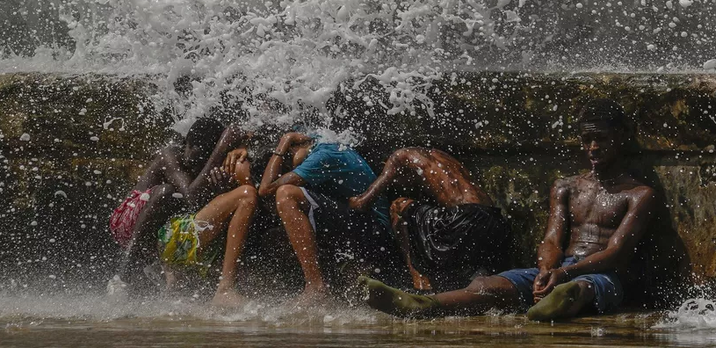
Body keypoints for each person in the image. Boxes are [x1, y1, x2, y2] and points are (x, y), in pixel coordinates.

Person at [360, 99, 656, 321]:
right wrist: (545, 270)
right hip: (559, 269)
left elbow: (618, 252)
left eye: (600, 139)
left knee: (581, 289)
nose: (592, 147)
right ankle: (422, 304)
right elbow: (552, 239)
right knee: (486, 284)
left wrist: (564, 274)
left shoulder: (639, 193)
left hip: (602, 276)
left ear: (621, 137)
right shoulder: (567, 186)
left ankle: (557, 302)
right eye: (586, 140)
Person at [107, 117, 252, 302]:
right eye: (196, 152)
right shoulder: (170, 155)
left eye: (207, 156)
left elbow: (196, 206)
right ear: (186, 144)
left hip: (166, 227)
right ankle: (126, 272)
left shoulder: (208, 161)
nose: (200, 163)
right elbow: (190, 197)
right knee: (167, 192)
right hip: (129, 221)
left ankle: (165, 274)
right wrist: (219, 152)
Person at [257, 131, 400, 303]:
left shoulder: (325, 154)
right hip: (360, 227)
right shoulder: (324, 145)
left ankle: (316, 287)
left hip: (376, 233)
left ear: (300, 143)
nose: (289, 164)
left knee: (286, 194)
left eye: (289, 155)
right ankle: (333, 282)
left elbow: (266, 190)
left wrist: (283, 143)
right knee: (274, 237)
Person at [348, 147, 512, 291]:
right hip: (495, 221)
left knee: (398, 205)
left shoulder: (398, 157)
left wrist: (346, 200)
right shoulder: (437, 157)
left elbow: (363, 203)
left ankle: (420, 283)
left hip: (463, 219)